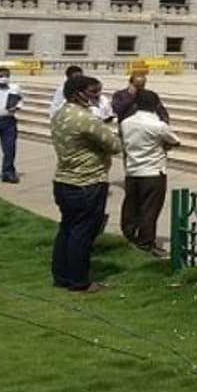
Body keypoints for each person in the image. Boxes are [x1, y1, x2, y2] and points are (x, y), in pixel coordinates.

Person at [51, 74, 124, 293]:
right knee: (83, 232)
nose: (96, 97)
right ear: (78, 94)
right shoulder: (85, 118)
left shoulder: (60, 114)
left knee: (67, 228)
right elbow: (115, 145)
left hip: (64, 180)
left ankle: (61, 275)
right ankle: (79, 280)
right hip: (87, 181)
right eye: (92, 92)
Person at [120, 89, 179, 255]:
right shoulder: (158, 125)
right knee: (150, 209)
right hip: (152, 171)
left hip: (132, 169)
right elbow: (174, 141)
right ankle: (146, 241)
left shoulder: (126, 122)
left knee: (131, 205)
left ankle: (129, 234)